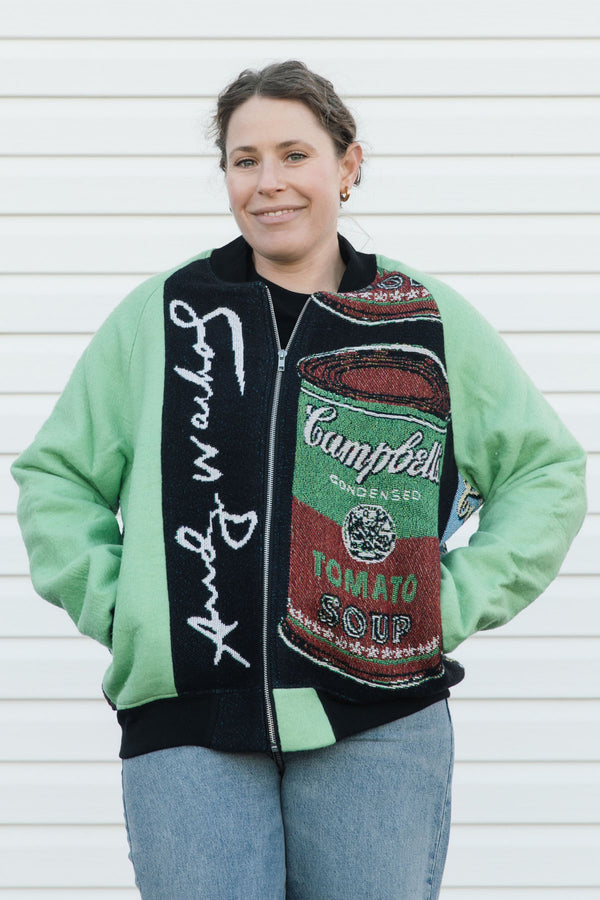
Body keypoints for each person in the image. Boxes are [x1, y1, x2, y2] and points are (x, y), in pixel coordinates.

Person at [12, 60, 586, 899]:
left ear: (347, 165)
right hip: (191, 724)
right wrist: (132, 611)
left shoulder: (419, 316)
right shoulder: (164, 314)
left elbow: (545, 471)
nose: (269, 183)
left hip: (380, 724)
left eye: (294, 155)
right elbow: (57, 477)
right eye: (245, 161)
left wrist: (442, 606)